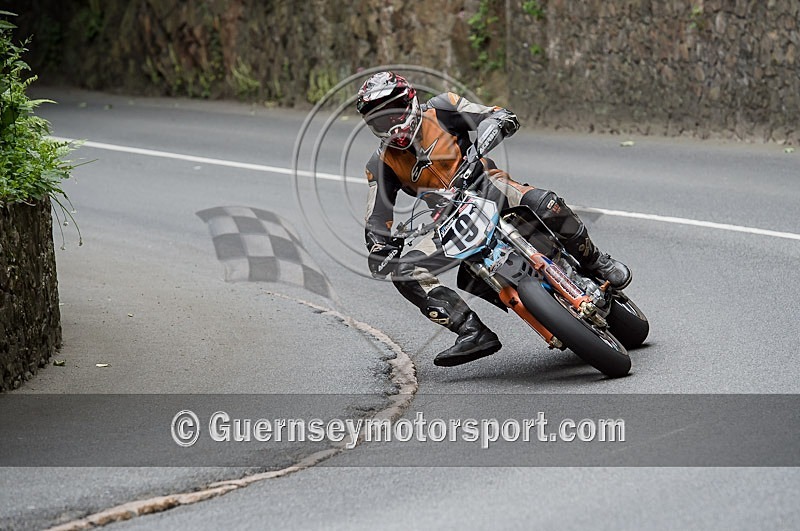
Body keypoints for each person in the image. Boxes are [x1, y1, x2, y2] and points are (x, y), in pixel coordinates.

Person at [356, 71, 631, 367]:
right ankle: (471, 330)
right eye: (380, 119)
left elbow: (495, 115)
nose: (391, 123)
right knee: (404, 271)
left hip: (486, 184)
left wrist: (494, 127)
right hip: (446, 220)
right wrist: (380, 248)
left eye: (393, 110)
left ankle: (596, 261)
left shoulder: (443, 107)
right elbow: (376, 216)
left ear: (409, 100)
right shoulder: (380, 163)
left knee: (545, 202)